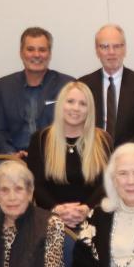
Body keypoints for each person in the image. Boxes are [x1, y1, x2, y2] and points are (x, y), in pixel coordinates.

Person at [25, 81, 111, 229]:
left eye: (83, 104)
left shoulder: (103, 140)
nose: (76, 108)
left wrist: (86, 209)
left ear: (89, 110)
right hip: (48, 220)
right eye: (70, 101)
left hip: (93, 220)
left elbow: (106, 184)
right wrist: (57, 210)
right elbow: (35, 184)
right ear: (60, 105)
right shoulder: (40, 139)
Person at [0, 27, 73, 155]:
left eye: (42, 50)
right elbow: (0, 131)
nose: (36, 55)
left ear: (49, 54)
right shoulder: (4, 86)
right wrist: (11, 154)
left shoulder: (67, 85)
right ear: (21, 53)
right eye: (30, 49)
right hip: (15, 159)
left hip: (55, 158)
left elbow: (74, 128)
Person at [79, 24, 134, 145]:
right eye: (104, 47)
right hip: (91, 157)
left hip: (129, 157)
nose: (111, 52)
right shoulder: (83, 85)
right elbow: (79, 128)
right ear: (97, 51)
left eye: (117, 46)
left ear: (124, 49)